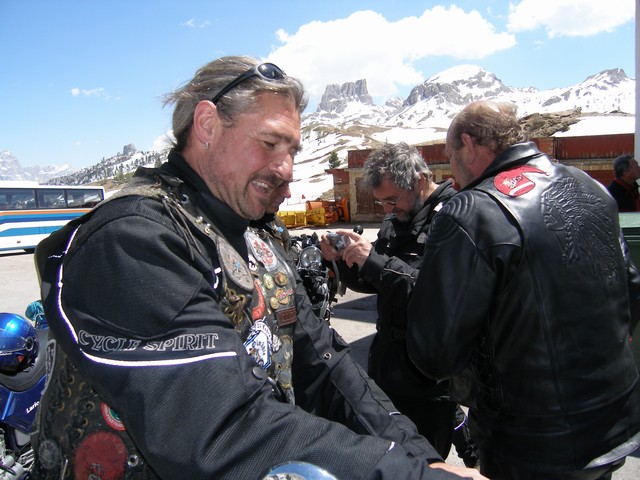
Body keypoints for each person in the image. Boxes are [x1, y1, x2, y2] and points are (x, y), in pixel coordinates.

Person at [32, 56, 485, 480]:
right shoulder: (133, 239)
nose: (286, 169)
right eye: (269, 143)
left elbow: (324, 363)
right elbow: (222, 428)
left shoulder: (255, 237)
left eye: (292, 150)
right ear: (207, 125)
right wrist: (408, 474)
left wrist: (418, 455)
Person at [406, 100, 640, 480]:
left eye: (450, 155)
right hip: (614, 422)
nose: (451, 170)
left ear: (469, 144)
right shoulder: (589, 185)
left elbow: (434, 353)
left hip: (532, 443)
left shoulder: (472, 211)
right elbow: (630, 287)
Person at [319, 142, 478, 465]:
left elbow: (432, 295)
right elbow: (375, 282)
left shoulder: (454, 217)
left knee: (424, 461)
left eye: (392, 200)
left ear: (419, 180)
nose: (387, 209)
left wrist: (373, 261)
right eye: (382, 202)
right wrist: (344, 260)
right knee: (390, 455)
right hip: (388, 368)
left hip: (428, 375)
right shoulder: (397, 220)